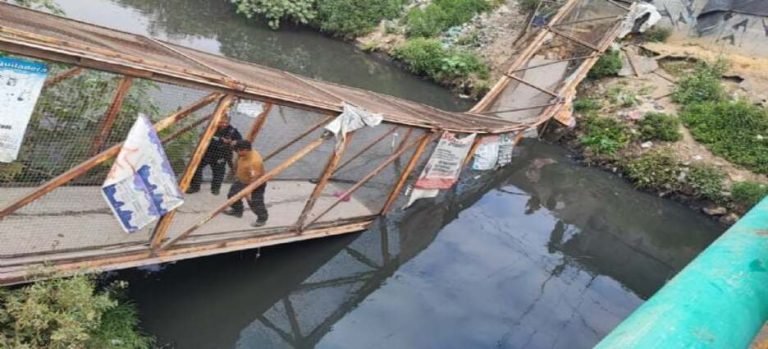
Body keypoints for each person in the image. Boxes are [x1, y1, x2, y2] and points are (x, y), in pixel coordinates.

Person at [188, 117, 242, 195]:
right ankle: (195, 187)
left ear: (228, 122)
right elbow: (202, 136)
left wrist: (232, 141)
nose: (223, 124)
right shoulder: (211, 127)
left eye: (225, 123)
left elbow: (239, 140)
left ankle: (215, 189)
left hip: (221, 154)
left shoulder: (232, 131)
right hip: (208, 152)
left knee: (219, 172)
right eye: (221, 122)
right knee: (196, 167)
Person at [224, 140, 269, 227]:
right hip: (242, 180)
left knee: (255, 202)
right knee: (232, 195)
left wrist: (249, 192)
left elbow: (254, 178)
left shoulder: (254, 162)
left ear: (245, 150)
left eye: (238, 151)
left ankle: (262, 219)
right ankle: (238, 211)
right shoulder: (244, 153)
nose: (236, 152)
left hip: (255, 184)